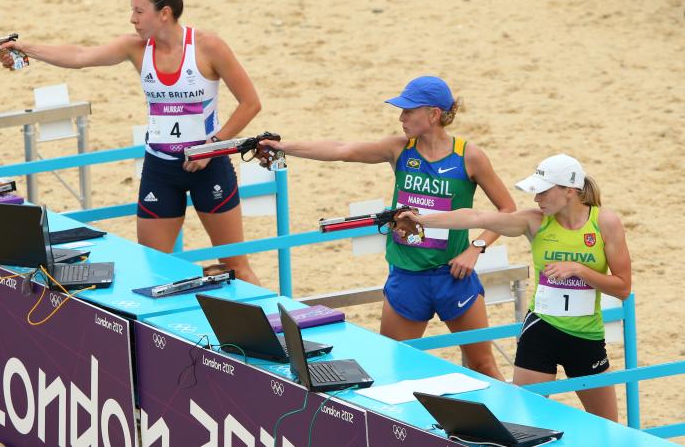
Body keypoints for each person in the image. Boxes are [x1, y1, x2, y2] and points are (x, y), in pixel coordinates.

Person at [259, 76, 516, 380]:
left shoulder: (469, 156)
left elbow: (507, 210)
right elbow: (342, 149)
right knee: (393, 369)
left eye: (409, 111)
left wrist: (477, 248)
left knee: (483, 366)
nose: (401, 118)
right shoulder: (399, 149)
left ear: (433, 114)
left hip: (453, 277)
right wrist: (284, 146)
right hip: (406, 277)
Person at [0, 0, 262, 284]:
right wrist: (26, 49)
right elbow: (80, 57)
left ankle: (272, 330)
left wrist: (211, 147)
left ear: (165, 13)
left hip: (209, 167)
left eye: (138, 11)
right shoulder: (135, 48)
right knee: (153, 272)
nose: (132, 19)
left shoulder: (208, 47)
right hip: (160, 170)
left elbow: (250, 103)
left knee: (236, 267)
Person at [396, 154, 631, 421]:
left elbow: (622, 288)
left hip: (586, 336)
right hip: (541, 330)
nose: (536, 199)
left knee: (609, 428)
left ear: (569, 191)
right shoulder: (534, 221)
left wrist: (579, 270)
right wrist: (422, 220)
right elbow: (476, 217)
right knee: (523, 423)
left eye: (542, 192)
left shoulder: (605, 223)